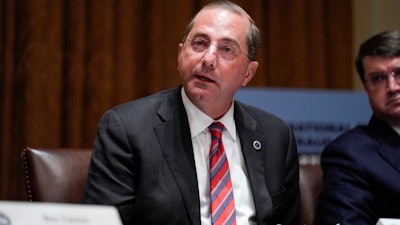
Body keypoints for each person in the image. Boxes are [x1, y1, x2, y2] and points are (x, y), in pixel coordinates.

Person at [82, 1, 299, 225]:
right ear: (180, 54)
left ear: (248, 73)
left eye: (226, 49)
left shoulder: (276, 136)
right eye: (199, 43)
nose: (208, 59)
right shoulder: (127, 130)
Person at [316, 30, 400, 225]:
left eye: (399, 73)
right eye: (378, 78)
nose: (393, 86)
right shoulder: (348, 154)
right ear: (366, 87)